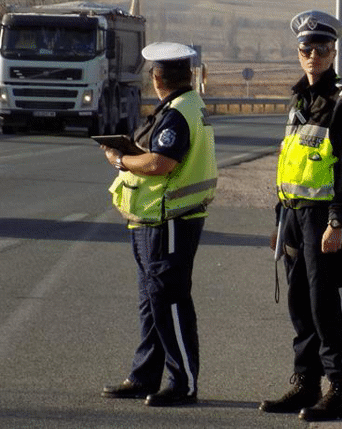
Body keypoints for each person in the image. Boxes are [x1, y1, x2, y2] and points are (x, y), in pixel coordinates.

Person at [259, 10, 342, 422]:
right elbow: (290, 164)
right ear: (298, 52)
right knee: (300, 302)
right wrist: (277, 219)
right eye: (307, 49)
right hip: (293, 215)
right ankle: (305, 383)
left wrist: (337, 221)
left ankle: (341, 390)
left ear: (334, 51)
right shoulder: (299, 98)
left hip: (325, 219)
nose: (314, 56)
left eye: (322, 49)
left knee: (328, 302)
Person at [99, 42, 217, 407]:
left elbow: (160, 163)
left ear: (157, 78)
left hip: (170, 219)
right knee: (152, 301)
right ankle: (145, 375)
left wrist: (121, 160)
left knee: (169, 301)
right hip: (157, 218)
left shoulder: (178, 112)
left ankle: (183, 383)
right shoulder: (187, 106)